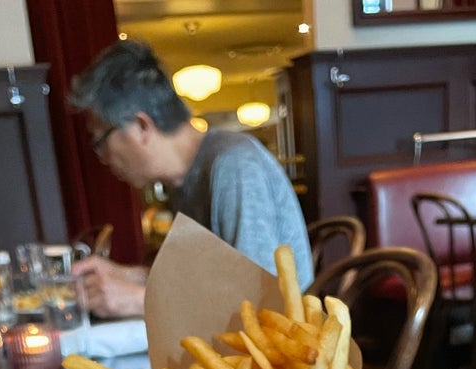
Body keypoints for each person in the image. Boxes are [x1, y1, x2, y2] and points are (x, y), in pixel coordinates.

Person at [66, 40, 313, 319]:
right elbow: (205, 282)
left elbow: (258, 300)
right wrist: (130, 276)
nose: (102, 158)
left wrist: (138, 300)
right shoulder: (185, 179)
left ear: (141, 126)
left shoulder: (234, 164)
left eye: (99, 141)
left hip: (278, 342)